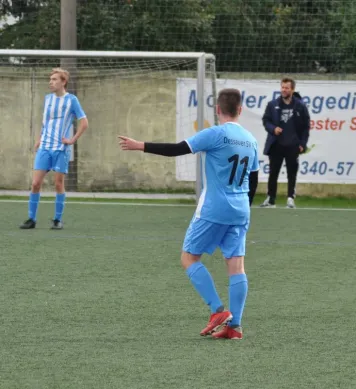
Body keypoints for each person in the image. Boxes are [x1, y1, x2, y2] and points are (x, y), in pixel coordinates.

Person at [118, 88, 258, 339]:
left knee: (189, 258)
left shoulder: (216, 133)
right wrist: (243, 208)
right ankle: (234, 327)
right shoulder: (251, 139)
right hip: (241, 209)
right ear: (240, 110)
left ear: (218, 110)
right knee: (236, 265)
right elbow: (254, 179)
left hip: (215, 208)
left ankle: (217, 311)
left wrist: (140, 145)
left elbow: (176, 149)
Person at [20, 68, 89, 230]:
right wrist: (39, 139)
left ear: (63, 82)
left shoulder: (72, 100)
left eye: (54, 79)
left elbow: (84, 123)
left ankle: (57, 220)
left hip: (60, 149)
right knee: (36, 183)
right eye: (50, 79)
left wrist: (72, 139)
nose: (50, 82)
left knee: (58, 184)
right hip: (45, 147)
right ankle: (31, 219)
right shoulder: (48, 99)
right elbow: (45, 122)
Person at [260, 78, 310, 208]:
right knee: (273, 173)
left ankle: (290, 199)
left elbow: (306, 126)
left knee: (291, 173)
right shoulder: (272, 104)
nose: (284, 90)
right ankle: (271, 199)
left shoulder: (300, 105)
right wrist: (273, 129)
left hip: (293, 145)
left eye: (287, 88)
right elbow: (266, 120)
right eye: (282, 87)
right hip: (276, 144)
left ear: (292, 89)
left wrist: (302, 144)